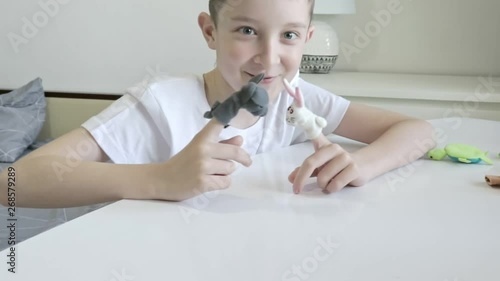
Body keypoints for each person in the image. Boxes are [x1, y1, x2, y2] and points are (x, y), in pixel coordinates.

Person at [0, 0, 435, 208]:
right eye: (246, 31)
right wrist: (159, 179)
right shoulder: (160, 104)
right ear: (210, 31)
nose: (268, 58)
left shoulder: (297, 95)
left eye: (287, 35)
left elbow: (420, 131)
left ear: (305, 38)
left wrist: (362, 165)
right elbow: (11, 184)